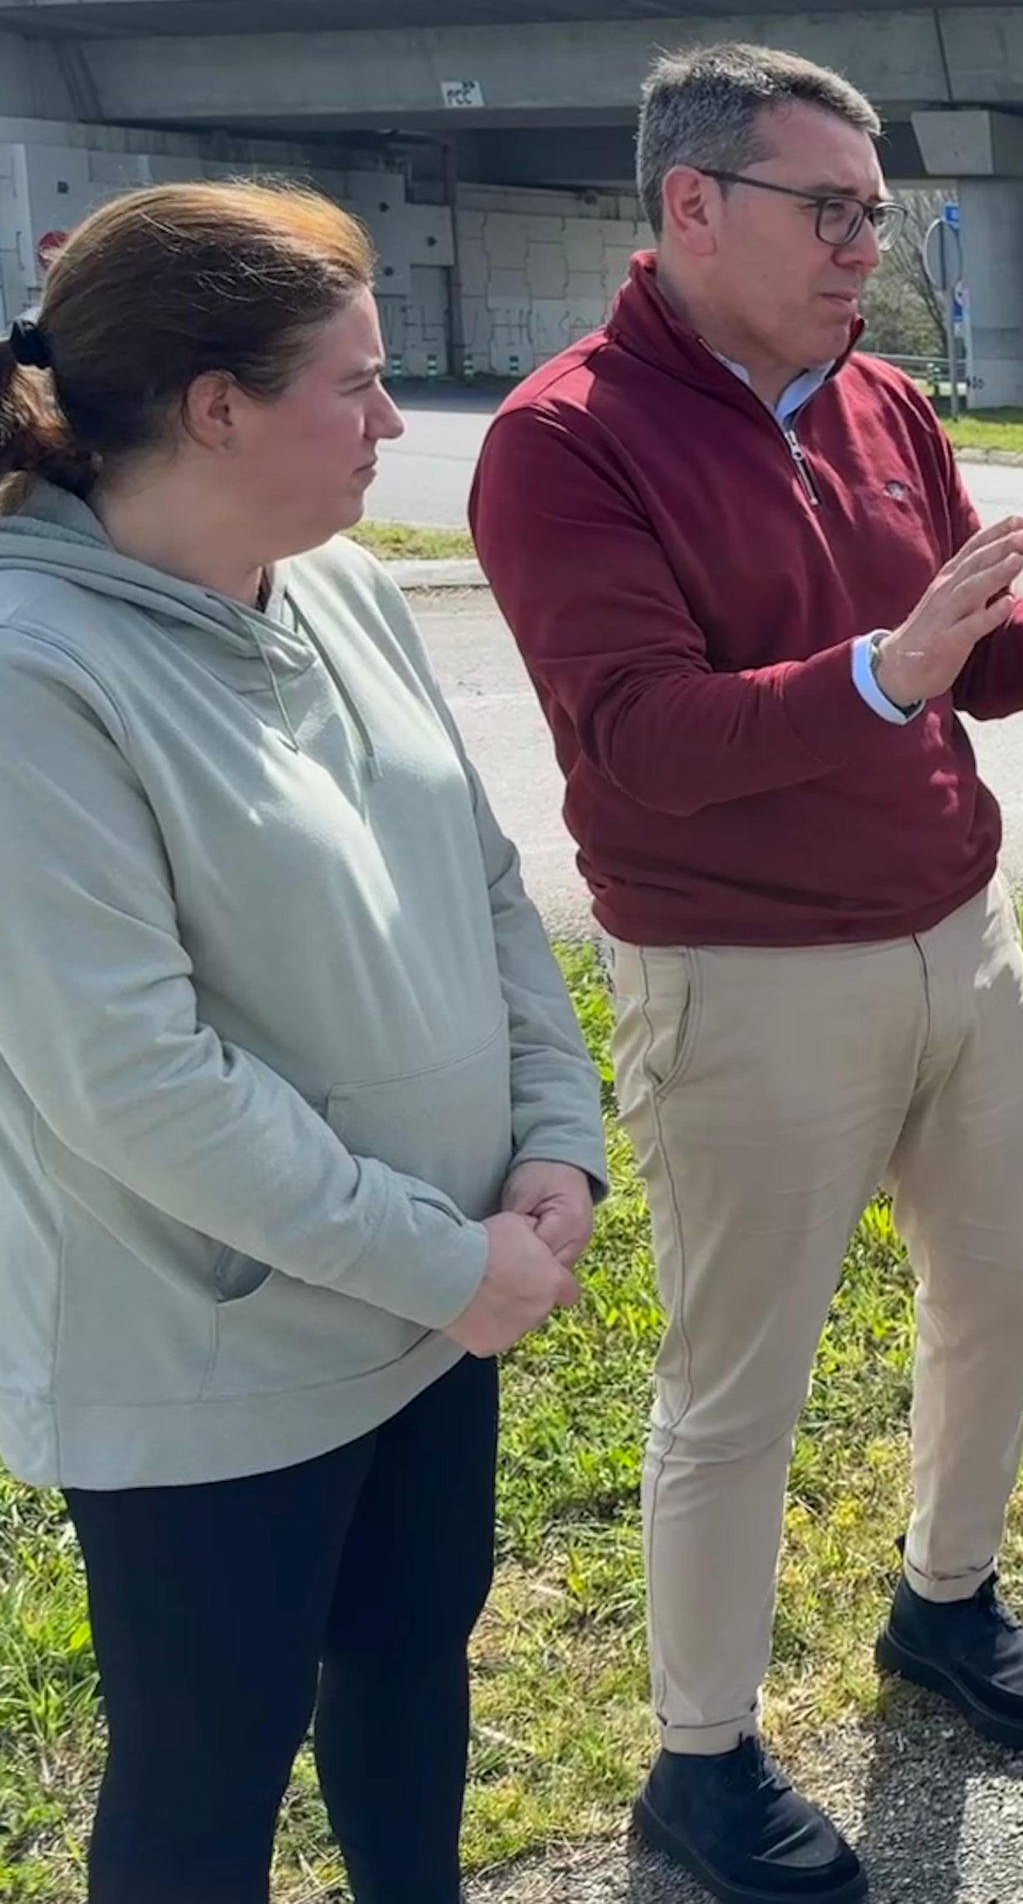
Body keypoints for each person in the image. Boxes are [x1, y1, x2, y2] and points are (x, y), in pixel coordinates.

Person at [469, 44, 1023, 1904]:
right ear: (693, 208)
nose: (870, 243)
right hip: (744, 981)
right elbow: (637, 740)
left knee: (1002, 1295)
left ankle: (941, 1605)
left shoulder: (882, 403)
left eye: (876, 206)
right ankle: (700, 1764)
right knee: (733, 1391)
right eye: (827, 207)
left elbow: (972, 668)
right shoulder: (563, 438)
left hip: (954, 942)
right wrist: (880, 675)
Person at [0, 183, 605, 1903]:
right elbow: (132, 1083)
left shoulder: (341, 591)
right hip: (218, 1360)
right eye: (355, 384)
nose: (394, 423)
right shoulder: (35, 670)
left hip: (436, 1304)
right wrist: (445, 1259)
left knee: (411, 1678)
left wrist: (556, 1139)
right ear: (216, 408)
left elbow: (486, 884)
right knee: (204, 1789)